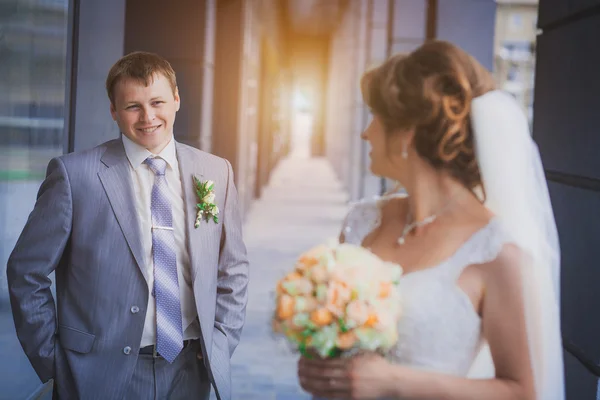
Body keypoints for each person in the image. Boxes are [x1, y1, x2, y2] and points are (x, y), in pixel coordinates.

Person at [297, 41, 564, 400]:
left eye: (376, 116)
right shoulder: (361, 221)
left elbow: (521, 391)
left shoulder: (496, 252)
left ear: (407, 133)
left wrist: (393, 382)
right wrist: (319, 359)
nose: (365, 133)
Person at [6, 51, 249, 400]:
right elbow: (26, 271)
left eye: (158, 102)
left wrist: (220, 340)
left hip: (189, 369)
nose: (148, 116)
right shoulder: (75, 176)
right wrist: (53, 361)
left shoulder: (215, 172)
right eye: (133, 106)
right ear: (114, 111)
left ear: (177, 100)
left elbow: (233, 267)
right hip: (98, 373)